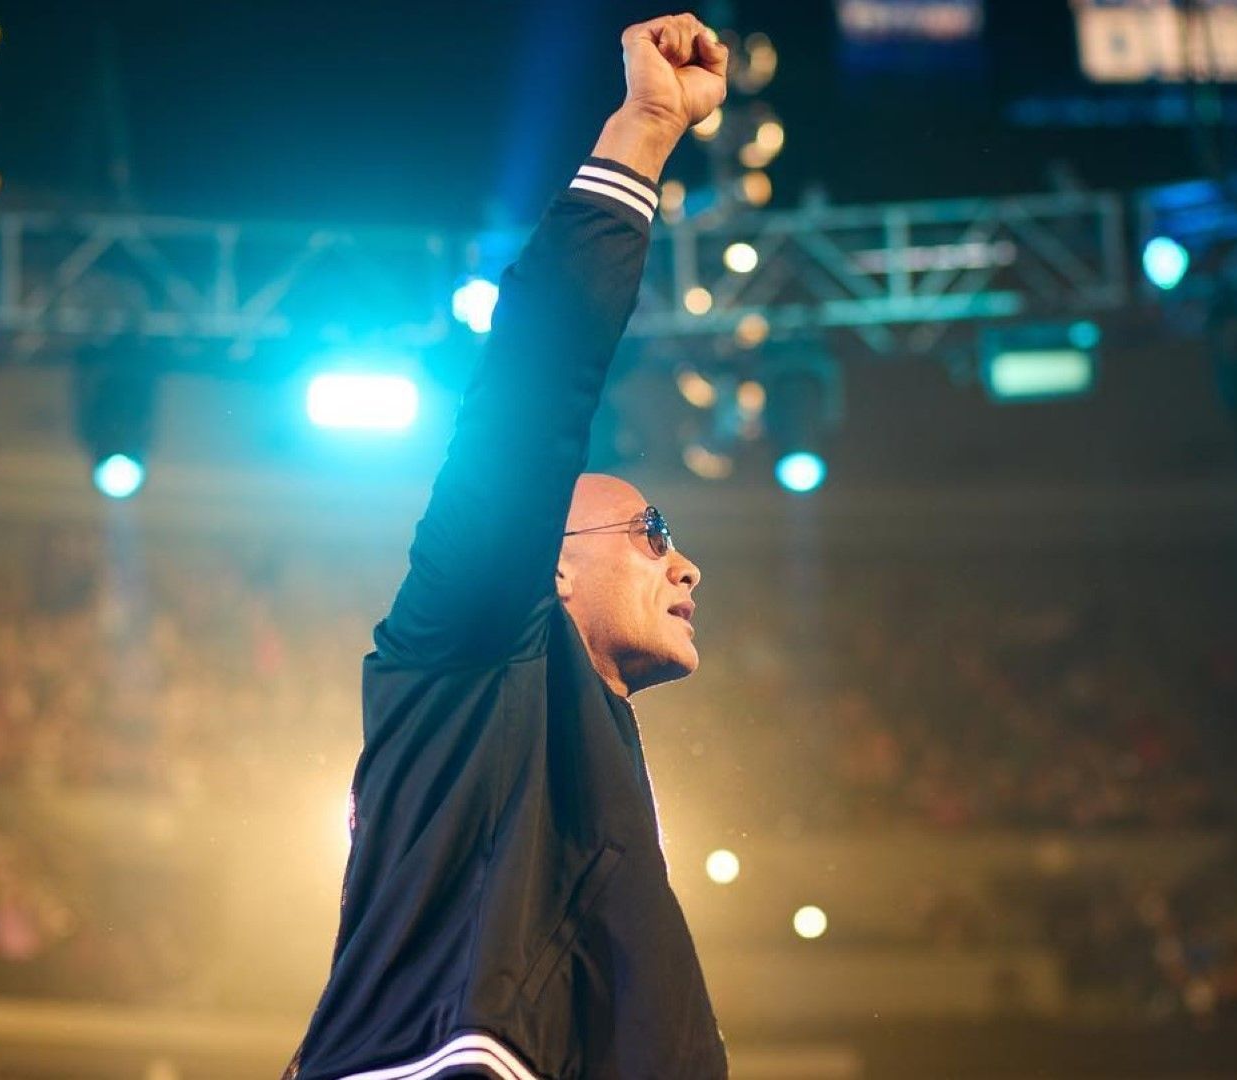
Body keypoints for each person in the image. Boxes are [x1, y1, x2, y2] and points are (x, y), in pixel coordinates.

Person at [284, 14, 729, 1079]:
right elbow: (534, 384)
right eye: (653, 531)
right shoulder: (461, 656)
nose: (687, 565)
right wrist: (643, 132)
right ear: (551, 559)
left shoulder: (601, 783)